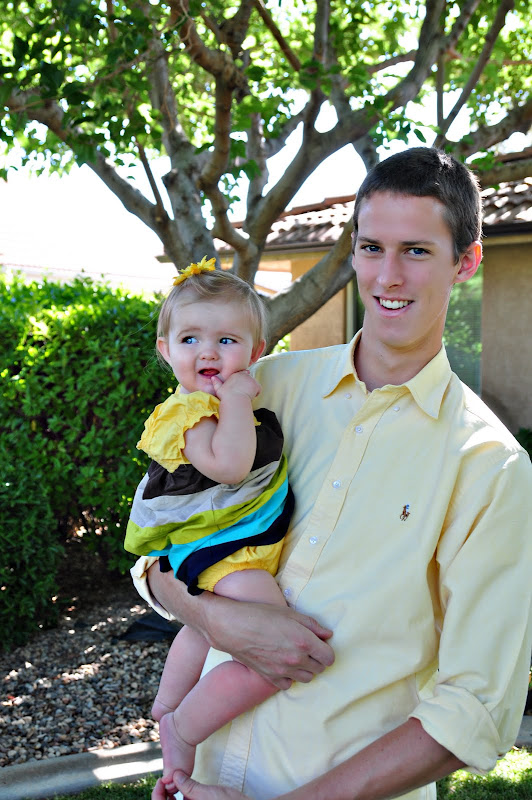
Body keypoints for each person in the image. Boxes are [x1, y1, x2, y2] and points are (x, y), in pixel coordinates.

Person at [131, 148, 532, 800]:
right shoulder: (261, 389)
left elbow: (476, 708)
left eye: (417, 251)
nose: (388, 276)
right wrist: (213, 617)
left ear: (466, 261)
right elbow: (155, 537)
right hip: (196, 784)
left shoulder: (489, 464)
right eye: (372, 248)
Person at [124, 261, 297, 798]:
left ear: (256, 350)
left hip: (232, 545)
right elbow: (230, 467)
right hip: (223, 550)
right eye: (190, 339)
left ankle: (168, 703)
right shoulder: (193, 412)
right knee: (275, 651)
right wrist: (240, 400)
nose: (208, 352)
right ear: (165, 349)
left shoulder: (216, 403)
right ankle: (184, 726)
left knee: (202, 630)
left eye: (226, 340)